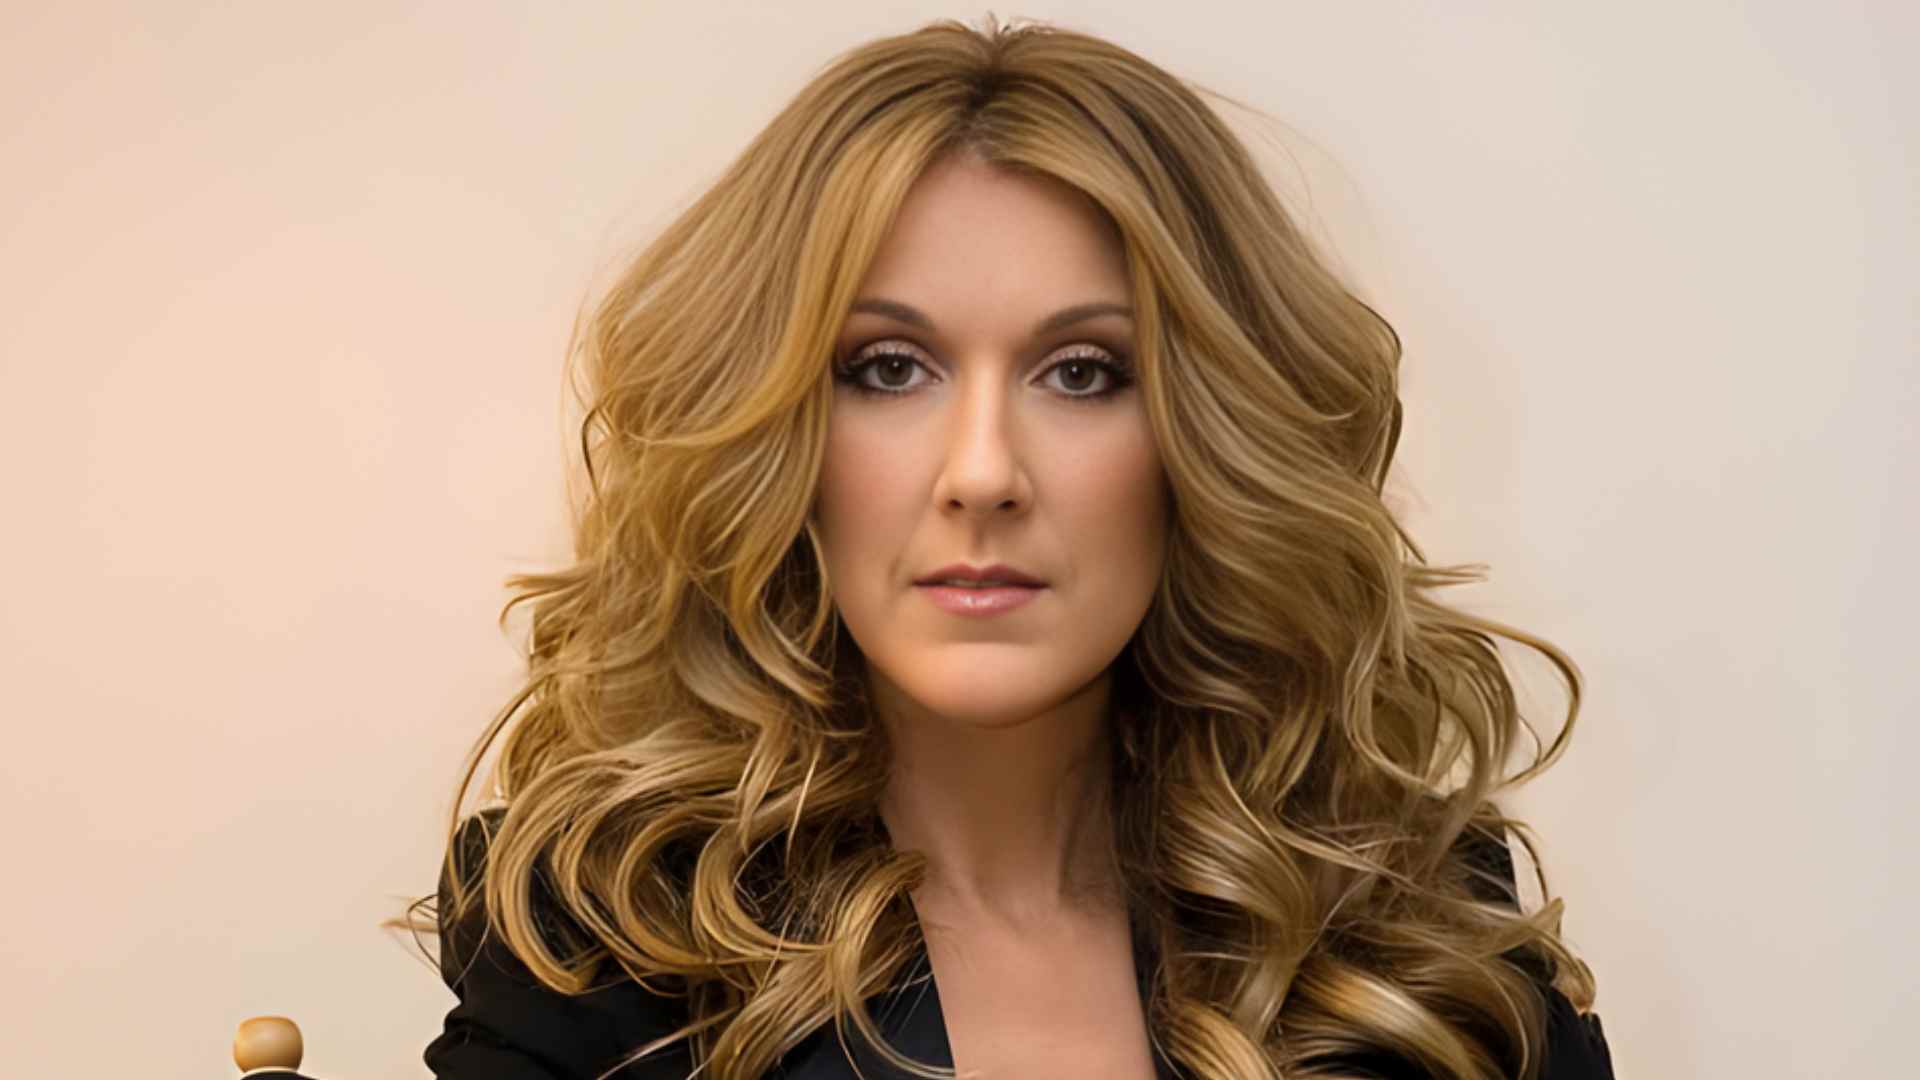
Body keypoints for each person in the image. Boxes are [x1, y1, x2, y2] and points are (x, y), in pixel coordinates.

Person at [409, 15, 1615, 1079]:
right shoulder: (603, 947)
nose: (982, 473)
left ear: (1207, 439)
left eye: (1082, 373)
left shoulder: (1418, 941)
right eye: (889, 368)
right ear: (777, 434)